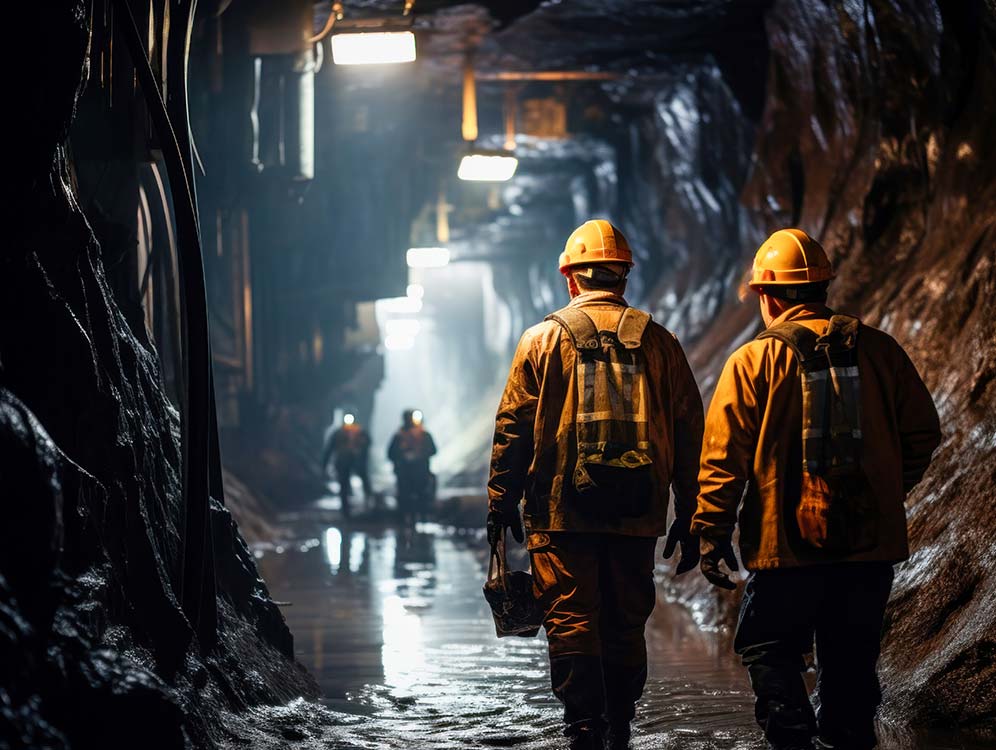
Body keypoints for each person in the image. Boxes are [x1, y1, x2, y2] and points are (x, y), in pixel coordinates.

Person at [692, 228, 942, 750]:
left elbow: (723, 459)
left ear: (769, 295)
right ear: (823, 285)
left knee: (769, 646)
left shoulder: (752, 362)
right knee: (851, 658)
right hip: (867, 546)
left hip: (785, 550)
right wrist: (885, 491)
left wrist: (711, 532)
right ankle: (847, 738)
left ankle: (792, 738)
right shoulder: (879, 350)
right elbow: (923, 432)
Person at [487, 219, 704, 750]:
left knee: (571, 618)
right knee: (625, 620)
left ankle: (585, 729)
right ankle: (622, 726)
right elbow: (687, 430)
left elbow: (513, 426)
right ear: (624, 278)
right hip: (638, 513)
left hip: (562, 515)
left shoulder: (541, 339)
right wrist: (690, 512)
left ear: (570, 279)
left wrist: (502, 500)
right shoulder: (661, 342)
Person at [388, 409, 437, 522]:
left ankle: (423, 518)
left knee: (422, 495)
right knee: (404, 497)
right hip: (404, 472)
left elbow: (433, 450)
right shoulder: (399, 436)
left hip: (421, 471)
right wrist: (403, 455)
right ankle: (404, 518)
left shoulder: (424, 435)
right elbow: (391, 454)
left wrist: (420, 455)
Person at [321, 412, 372, 518]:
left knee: (365, 480)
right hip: (343, 461)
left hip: (356, 461)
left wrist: (362, 454)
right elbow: (330, 449)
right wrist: (324, 465)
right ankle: (345, 510)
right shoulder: (339, 433)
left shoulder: (360, 432)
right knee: (343, 485)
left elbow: (367, 444)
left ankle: (369, 503)